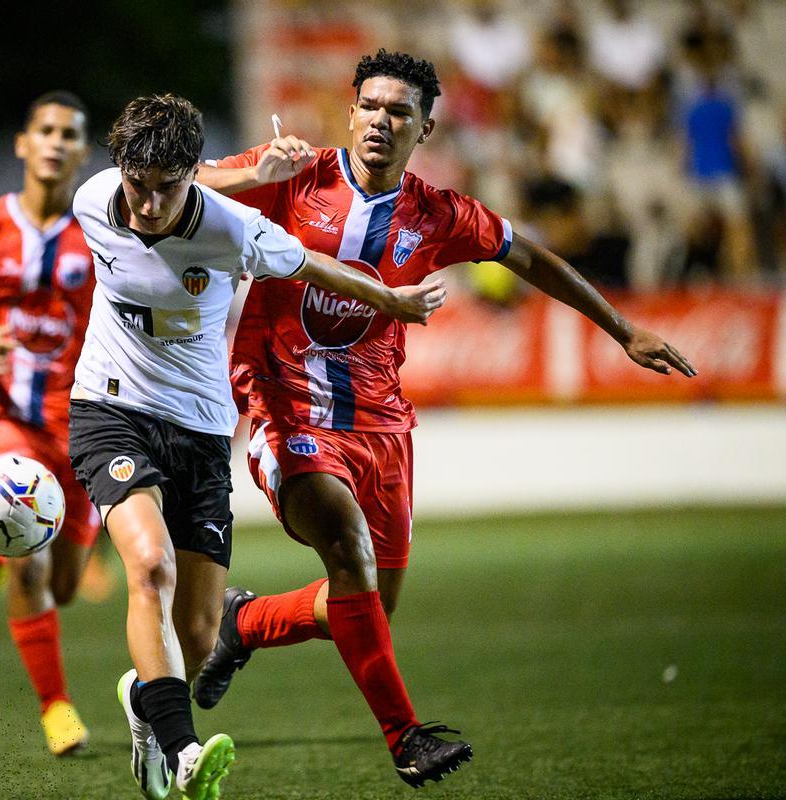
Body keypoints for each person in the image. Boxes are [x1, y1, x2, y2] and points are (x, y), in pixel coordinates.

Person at [192, 50, 696, 789]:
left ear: (424, 128)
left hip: (383, 425)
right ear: (350, 110)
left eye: (399, 111)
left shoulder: (439, 214)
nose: (380, 120)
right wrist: (252, 173)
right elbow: (183, 189)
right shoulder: (292, 176)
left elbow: (533, 260)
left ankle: (242, 624)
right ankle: (406, 738)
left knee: (365, 603)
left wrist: (623, 330)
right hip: (283, 404)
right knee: (345, 544)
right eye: (369, 105)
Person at [68, 93, 446, 800]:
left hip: (202, 433)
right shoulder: (93, 200)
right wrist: (247, 171)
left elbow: (310, 266)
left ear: (190, 173)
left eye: (166, 186)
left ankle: (148, 706)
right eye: (135, 184)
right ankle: (183, 752)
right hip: (110, 412)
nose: (147, 204)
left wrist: (393, 301)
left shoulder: (232, 228)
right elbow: (166, 187)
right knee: (148, 566)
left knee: (200, 638)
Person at [0, 91, 103, 757]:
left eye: (70, 134)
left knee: (65, 584)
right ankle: (57, 706)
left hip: (83, 424)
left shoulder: (99, 233)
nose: (57, 142)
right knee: (32, 571)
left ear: (84, 153)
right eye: (46, 131)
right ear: (22, 143)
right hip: (7, 414)